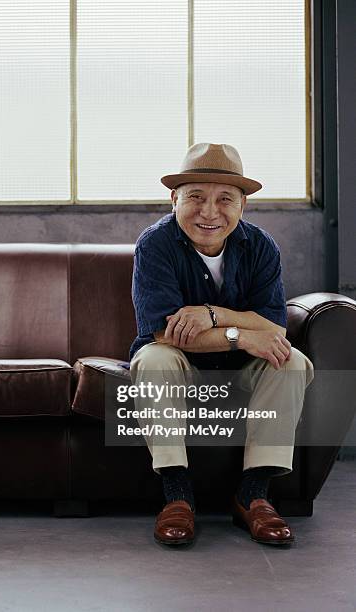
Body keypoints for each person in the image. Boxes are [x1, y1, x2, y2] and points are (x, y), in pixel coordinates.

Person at [129, 143, 314, 547]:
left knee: (290, 360)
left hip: (242, 370)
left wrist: (213, 314)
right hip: (181, 364)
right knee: (153, 358)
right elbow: (166, 332)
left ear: (242, 205)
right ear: (174, 198)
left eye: (224, 199)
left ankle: (253, 496)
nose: (209, 212)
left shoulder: (261, 247)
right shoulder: (155, 244)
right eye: (195, 196)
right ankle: (177, 498)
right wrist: (242, 334)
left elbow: (274, 328)